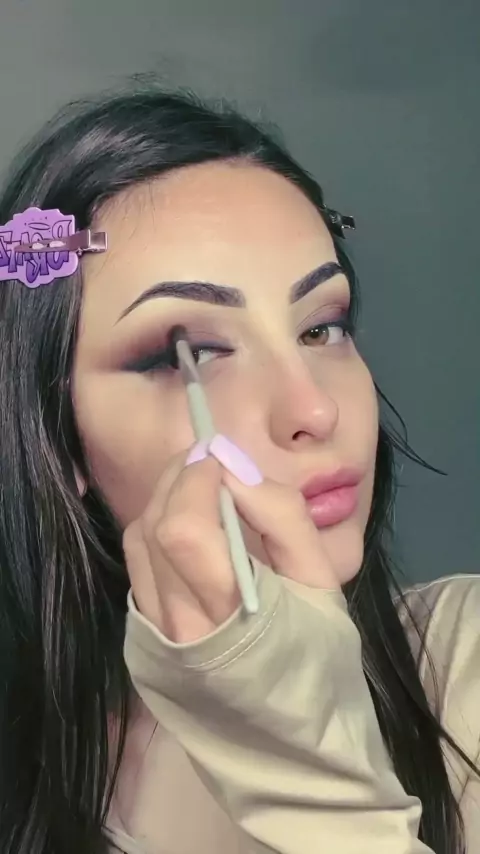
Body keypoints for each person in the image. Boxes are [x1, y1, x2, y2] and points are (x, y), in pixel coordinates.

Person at [0, 84, 478, 854]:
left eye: (321, 329)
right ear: (58, 436)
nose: (314, 409)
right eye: (193, 353)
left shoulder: (467, 669)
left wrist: (315, 773)